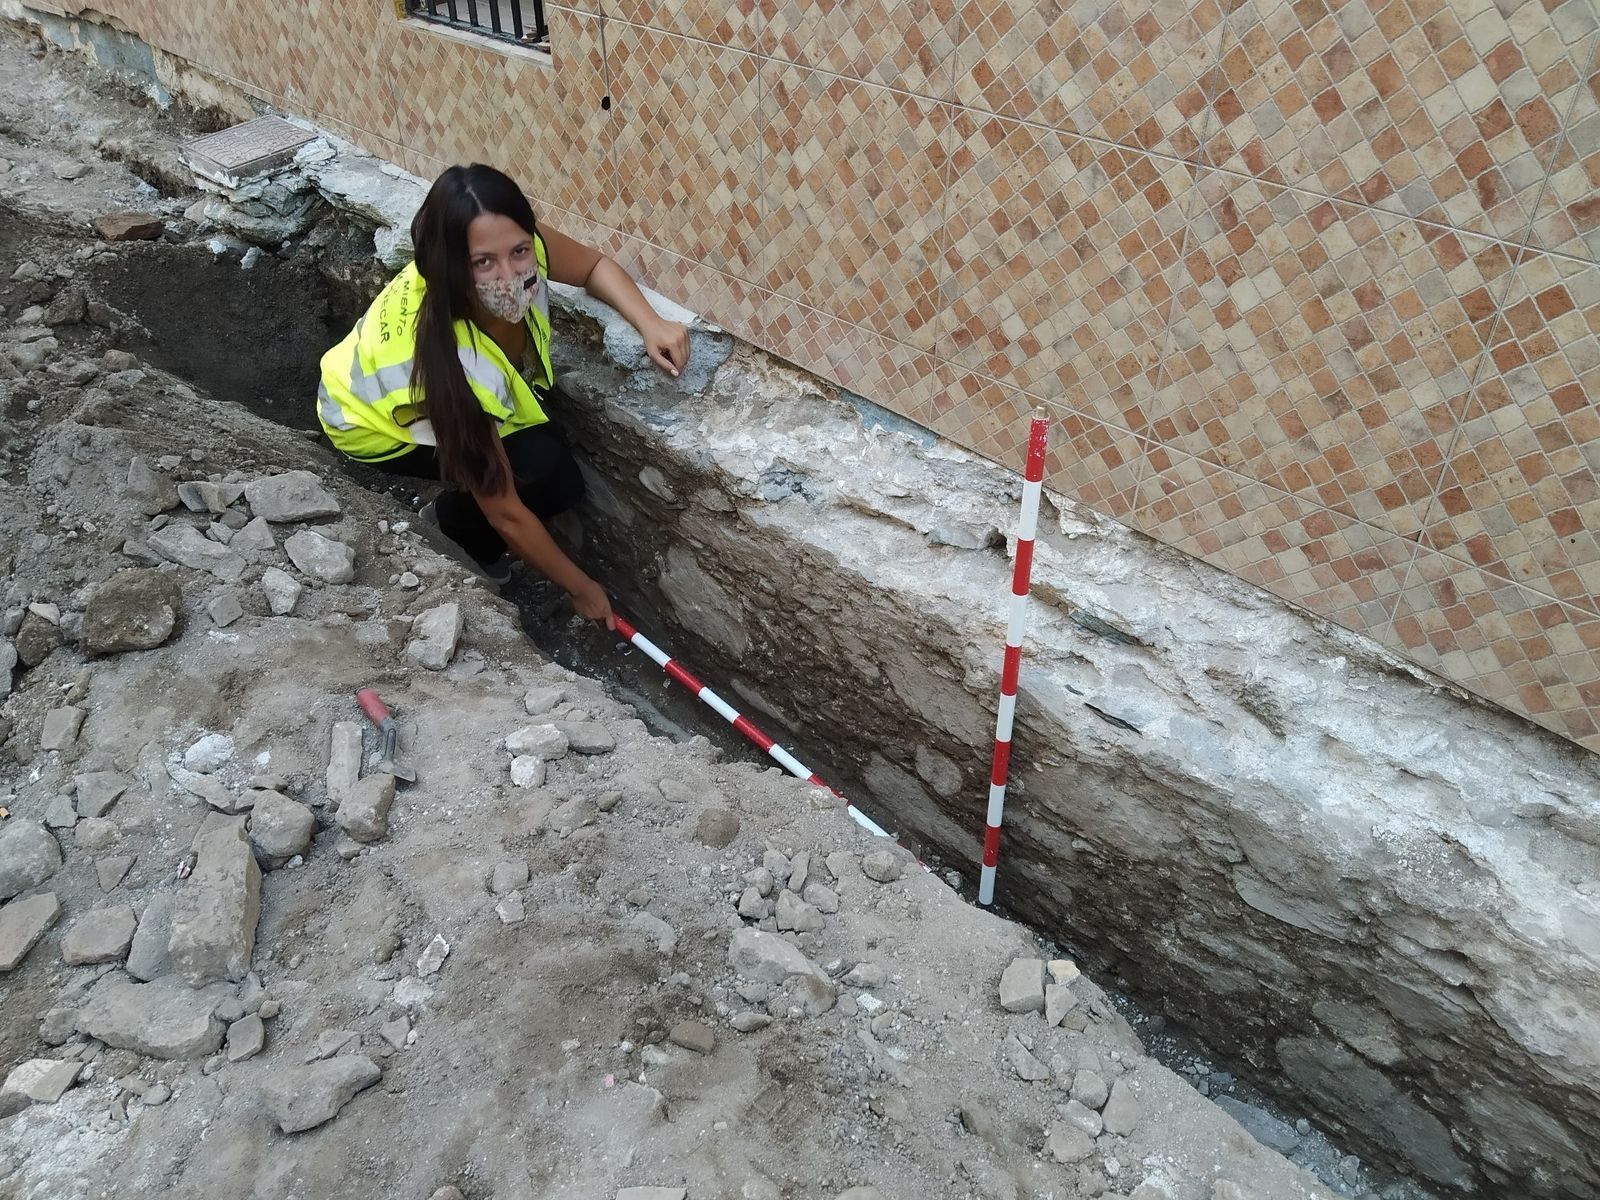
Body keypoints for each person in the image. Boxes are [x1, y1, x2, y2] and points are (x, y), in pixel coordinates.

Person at [317, 163, 691, 630]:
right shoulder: (454, 368)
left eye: (519, 251)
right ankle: (454, 531)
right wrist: (582, 588)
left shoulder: (517, 244)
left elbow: (595, 266)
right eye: (483, 263)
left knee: (544, 455)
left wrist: (650, 321)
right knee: (547, 476)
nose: (511, 275)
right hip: (365, 422)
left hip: (418, 390)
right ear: (449, 264)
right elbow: (507, 511)